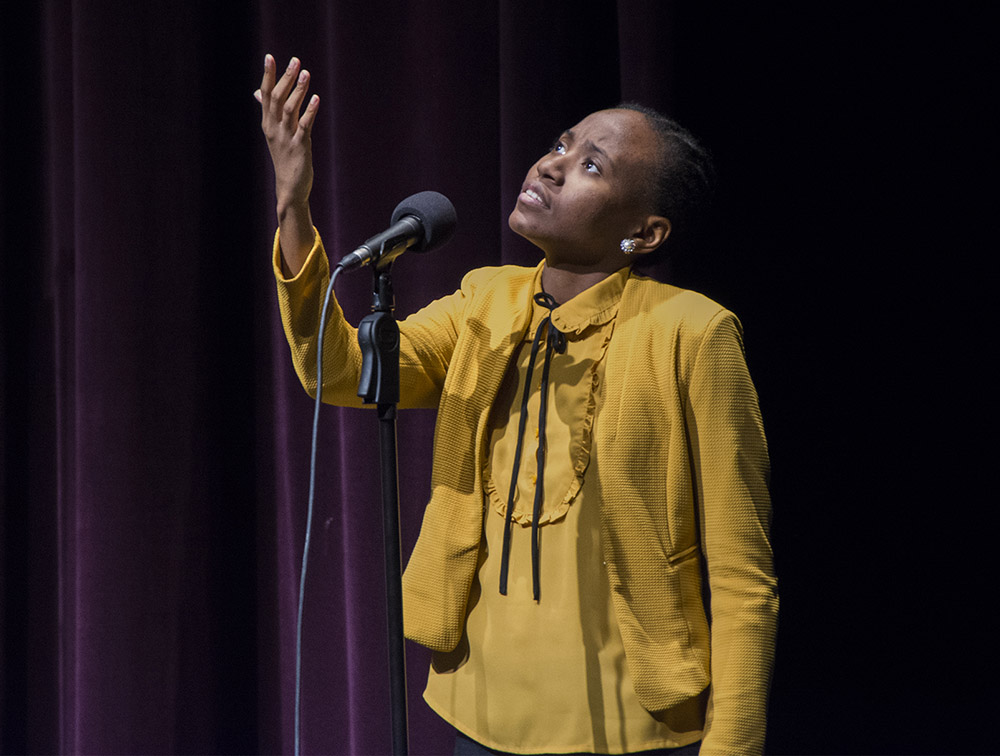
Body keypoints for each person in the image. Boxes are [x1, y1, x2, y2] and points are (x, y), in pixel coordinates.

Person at [256, 54, 777, 755]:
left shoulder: (694, 332)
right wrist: (294, 203)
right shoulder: (485, 300)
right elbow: (339, 371)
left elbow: (744, 576)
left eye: (593, 166)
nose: (553, 165)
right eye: (561, 144)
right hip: (476, 706)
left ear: (645, 234)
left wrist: (733, 746)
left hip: (632, 727)